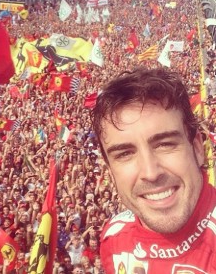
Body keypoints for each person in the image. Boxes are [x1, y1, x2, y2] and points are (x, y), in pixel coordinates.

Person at [91, 68, 216, 273]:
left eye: (165, 144)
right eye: (124, 154)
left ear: (197, 148)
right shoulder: (113, 238)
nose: (150, 172)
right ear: (109, 170)